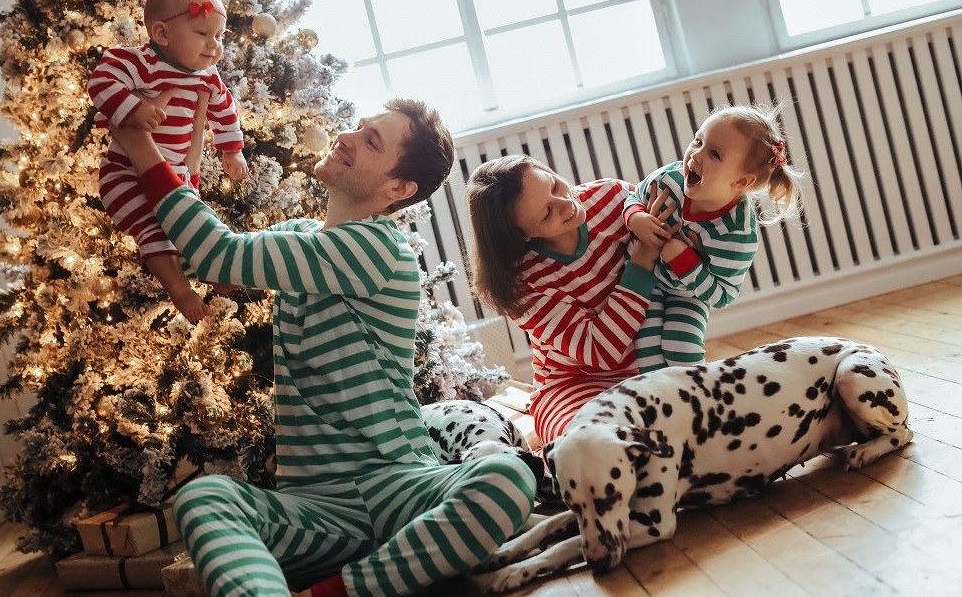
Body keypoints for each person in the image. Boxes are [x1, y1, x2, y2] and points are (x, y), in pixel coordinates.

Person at [110, 98, 536, 597]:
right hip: (315, 509)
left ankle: (335, 592)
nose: (348, 136)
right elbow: (219, 269)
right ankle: (379, 571)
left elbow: (216, 254)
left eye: (371, 141)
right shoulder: (300, 238)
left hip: (400, 485)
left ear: (398, 189)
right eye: (358, 127)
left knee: (506, 476)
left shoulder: (378, 248)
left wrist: (139, 142)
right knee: (204, 497)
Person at [466, 155, 680, 445]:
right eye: (546, 213)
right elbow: (602, 351)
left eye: (554, 185)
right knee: (590, 441)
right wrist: (644, 255)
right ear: (521, 235)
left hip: (653, 361)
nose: (566, 203)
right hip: (571, 384)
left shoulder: (613, 197)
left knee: (687, 423)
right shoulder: (518, 284)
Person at [88, 0, 248, 323]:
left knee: (193, 226)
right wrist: (133, 108)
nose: (214, 46)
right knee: (154, 229)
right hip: (125, 172)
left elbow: (224, 108)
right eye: (203, 34)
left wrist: (232, 150)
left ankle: (210, 266)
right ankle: (179, 288)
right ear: (161, 34)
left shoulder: (207, 76)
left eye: (219, 36)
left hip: (179, 175)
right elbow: (101, 81)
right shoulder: (138, 63)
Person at [624, 102, 804, 371]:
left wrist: (683, 259)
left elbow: (722, 295)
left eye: (714, 154)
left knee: (680, 349)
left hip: (688, 295)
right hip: (646, 278)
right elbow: (632, 197)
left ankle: (698, 400)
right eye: (698, 140)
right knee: (646, 352)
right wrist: (636, 218)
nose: (696, 155)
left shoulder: (736, 234)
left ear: (741, 181)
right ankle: (658, 403)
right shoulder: (669, 179)